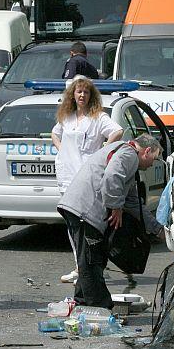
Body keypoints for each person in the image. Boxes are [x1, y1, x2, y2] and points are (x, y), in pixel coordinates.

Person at [57, 134, 164, 308]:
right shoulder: (129, 154)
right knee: (92, 261)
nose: (153, 164)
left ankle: (82, 301)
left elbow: (133, 202)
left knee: (93, 258)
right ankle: (98, 306)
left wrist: (157, 229)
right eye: (154, 158)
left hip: (79, 208)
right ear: (147, 151)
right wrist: (115, 206)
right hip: (85, 211)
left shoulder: (126, 154)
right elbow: (111, 176)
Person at [52, 76, 123, 284]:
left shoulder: (98, 117)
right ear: (72, 95)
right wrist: (62, 151)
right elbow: (54, 134)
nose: (82, 95)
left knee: (88, 224)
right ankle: (79, 266)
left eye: (86, 92)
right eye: (78, 92)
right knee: (71, 224)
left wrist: (102, 152)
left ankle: (92, 266)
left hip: (86, 178)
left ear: (91, 96)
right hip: (67, 176)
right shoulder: (67, 117)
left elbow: (117, 131)